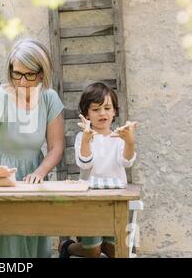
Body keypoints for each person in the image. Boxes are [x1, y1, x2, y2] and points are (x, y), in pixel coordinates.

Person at [0, 38, 65, 258]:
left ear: (41, 73)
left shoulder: (50, 98)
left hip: (32, 174)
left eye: (29, 75)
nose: (21, 81)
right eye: (16, 73)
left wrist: (40, 172)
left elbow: (56, 147)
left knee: (29, 238)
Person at [59, 82, 138, 258]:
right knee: (94, 251)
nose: (102, 113)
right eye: (96, 109)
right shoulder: (83, 137)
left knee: (113, 250)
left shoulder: (119, 137)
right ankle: (68, 247)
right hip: (90, 202)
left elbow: (126, 162)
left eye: (107, 108)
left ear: (114, 111)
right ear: (86, 114)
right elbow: (85, 164)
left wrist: (130, 142)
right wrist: (87, 140)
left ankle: (95, 244)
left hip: (114, 202)